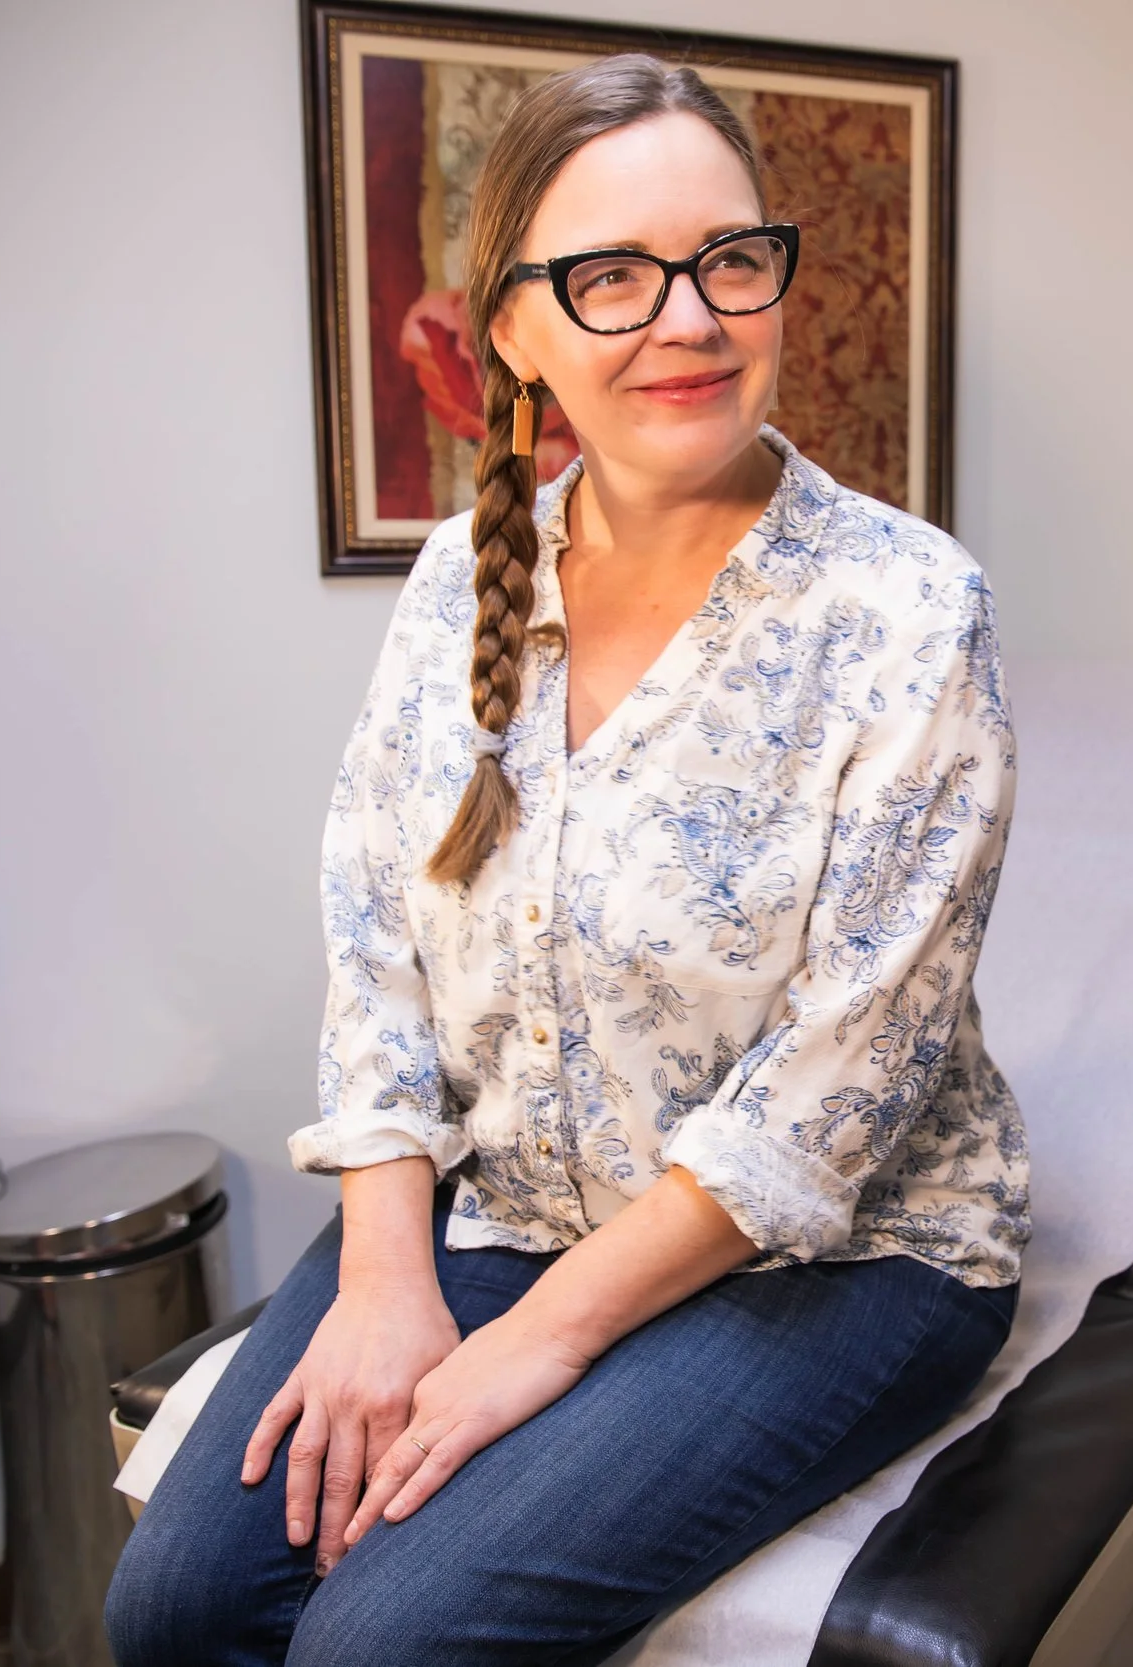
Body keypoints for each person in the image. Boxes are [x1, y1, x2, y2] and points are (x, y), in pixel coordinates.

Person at [105, 53, 1029, 1667]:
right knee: (175, 1609)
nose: (688, 318)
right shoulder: (465, 579)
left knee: (377, 1646)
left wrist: (536, 1343)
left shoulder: (907, 616)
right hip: (506, 1202)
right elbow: (374, 937)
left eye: (729, 260)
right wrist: (386, 1279)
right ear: (510, 331)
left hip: (840, 1254)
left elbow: (825, 1104)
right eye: (611, 277)